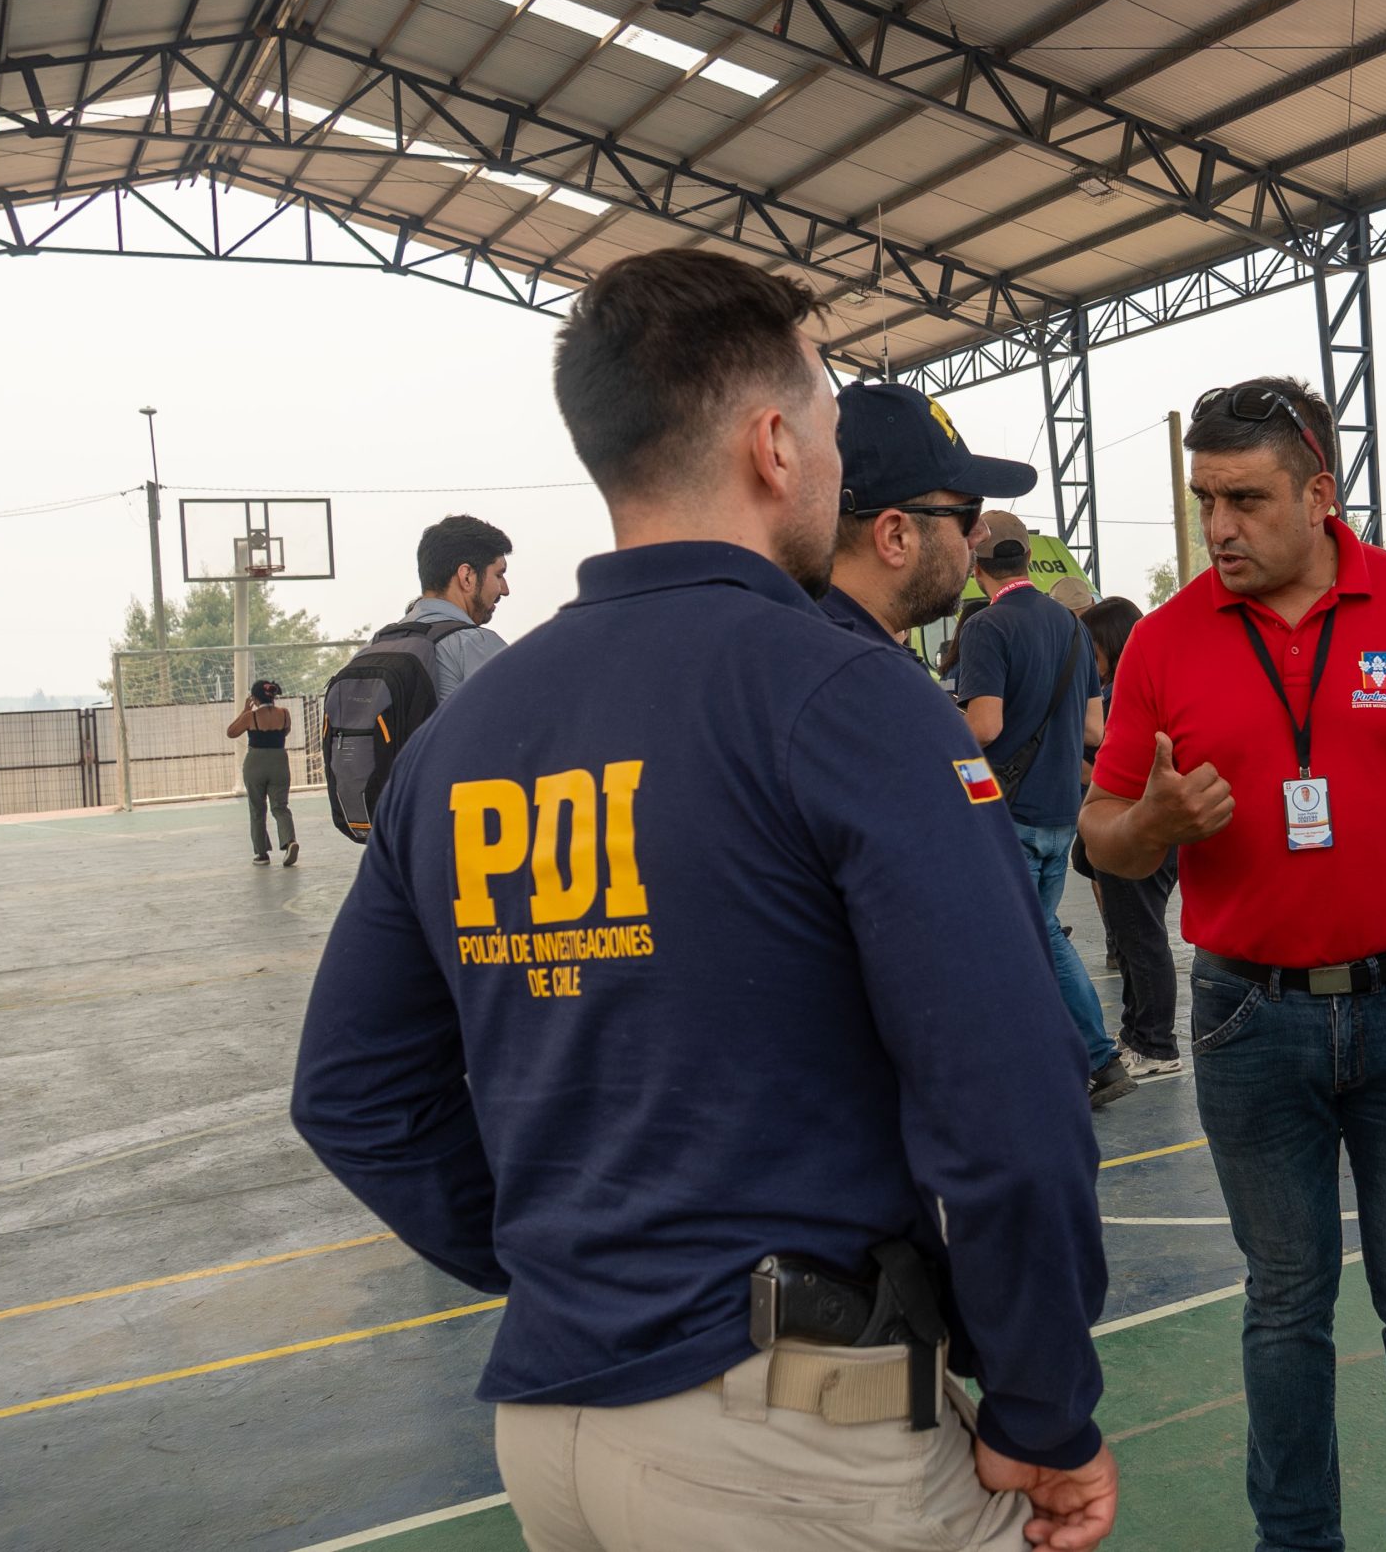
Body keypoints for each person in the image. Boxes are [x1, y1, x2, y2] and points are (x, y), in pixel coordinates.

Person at [290, 247, 1117, 1552]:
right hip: (792, 1435)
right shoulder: (845, 696)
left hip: (557, 1426)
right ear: (775, 446)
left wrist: (583, 1274)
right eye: (830, 428)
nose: (835, 462)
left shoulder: (461, 738)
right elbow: (1006, 1099)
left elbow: (353, 1091)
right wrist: (1044, 1403)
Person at [1081, 377, 1386, 1552]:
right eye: (1204, 500)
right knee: (1282, 1302)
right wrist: (1153, 823)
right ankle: (1295, 1539)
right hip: (1246, 1017)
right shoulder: (1164, 641)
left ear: (1319, 494)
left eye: (1246, 499)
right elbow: (1101, 832)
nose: (1217, 527)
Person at [959, 510, 1133, 1110]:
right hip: (1061, 811)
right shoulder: (1071, 626)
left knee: (1028, 938)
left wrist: (932, 721)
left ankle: (1095, 1058)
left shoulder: (987, 626)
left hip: (1007, 811)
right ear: (1029, 559)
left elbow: (984, 727)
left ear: (975, 565)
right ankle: (1066, 1059)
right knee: (1034, 933)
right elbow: (1093, 729)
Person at [823, 381, 1033, 650]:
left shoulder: (787, 640)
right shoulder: (874, 672)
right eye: (969, 512)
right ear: (895, 537)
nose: (982, 533)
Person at [1077, 598, 1181, 1077]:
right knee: (1131, 935)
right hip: (1132, 828)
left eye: (1093, 648)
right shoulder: (1127, 687)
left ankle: (1156, 1044)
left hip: (1137, 828)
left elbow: (1114, 771)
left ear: (1110, 643)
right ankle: (1138, 1031)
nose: (1088, 659)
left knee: (1141, 938)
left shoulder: (1127, 693)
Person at [406, 514, 513, 704]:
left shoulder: (371, 648)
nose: (505, 590)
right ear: (467, 576)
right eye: (499, 575)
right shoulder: (474, 644)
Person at [226, 677, 298, 866]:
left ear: (254, 698)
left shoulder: (251, 717)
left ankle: (262, 854)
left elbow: (231, 732)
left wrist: (245, 711)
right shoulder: (284, 713)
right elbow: (285, 732)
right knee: (280, 806)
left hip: (255, 762)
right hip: (279, 761)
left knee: (257, 809)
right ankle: (289, 841)